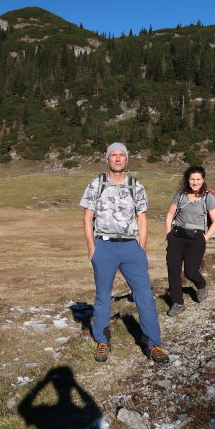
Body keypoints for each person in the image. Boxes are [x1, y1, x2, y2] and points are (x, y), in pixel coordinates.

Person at [80, 142, 169, 364]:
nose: (118, 159)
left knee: (145, 296)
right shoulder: (95, 184)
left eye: (122, 155)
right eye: (114, 155)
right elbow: (87, 217)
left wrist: (142, 249)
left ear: (126, 159)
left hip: (131, 248)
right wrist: (92, 249)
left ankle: (153, 344)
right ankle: (102, 341)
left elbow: (142, 218)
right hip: (104, 246)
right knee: (102, 296)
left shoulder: (136, 186)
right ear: (107, 159)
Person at [164, 165, 215, 316]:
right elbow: (170, 214)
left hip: (196, 239)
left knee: (190, 271)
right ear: (187, 180)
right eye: (192, 179)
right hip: (176, 236)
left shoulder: (208, 197)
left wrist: (205, 238)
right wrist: (169, 234)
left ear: (203, 180)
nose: (195, 183)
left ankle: (201, 285)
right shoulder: (180, 195)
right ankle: (178, 303)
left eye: (198, 179)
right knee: (173, 270)